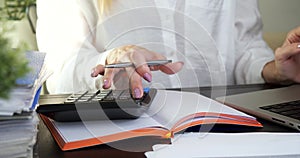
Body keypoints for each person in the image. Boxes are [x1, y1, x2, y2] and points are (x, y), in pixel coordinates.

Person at [36, 0, 300, 98]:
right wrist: (111, 62)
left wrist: (274, 69)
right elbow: (60, 70)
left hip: (222, 129)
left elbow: (243, 47)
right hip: (118, 134)